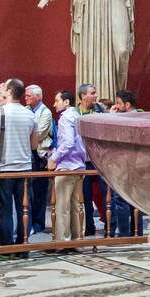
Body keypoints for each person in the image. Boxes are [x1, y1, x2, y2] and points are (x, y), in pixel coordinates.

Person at [0, 78, 38, 254]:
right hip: (25, 167)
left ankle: (6, 247)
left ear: (8, 91)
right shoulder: (30, 114)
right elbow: (34, 145)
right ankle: (23, 246)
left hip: (5, 167)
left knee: (5, 209)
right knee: (24, 208)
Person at [48, 90, 86, 243]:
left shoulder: (65, 118)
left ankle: (62, 241)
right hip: (78, 166)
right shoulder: (77, 116)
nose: (54, 104)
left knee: (62, 207)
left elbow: (68, 143)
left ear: (66, 102)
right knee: (75, 207)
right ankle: (76, 240)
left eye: (57, 101)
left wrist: (54, 159)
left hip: (66, 166)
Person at [110, 89, 144, 237]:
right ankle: (138, 231)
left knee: (121, 198)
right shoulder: (138, 117)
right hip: (137, 162)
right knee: (137, 199)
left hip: (126, 162)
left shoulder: (127, 119)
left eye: (118, 103)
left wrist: (111, 117)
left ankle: (124, 233)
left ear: (127, 104)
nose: (117, 106)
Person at [76, 83, 107, 236]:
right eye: (92, 93)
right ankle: (88, 226)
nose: (95, 96)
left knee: (104, 193)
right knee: (85, 196)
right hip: (83, 161)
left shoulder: (100, 110)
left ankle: (109, 225)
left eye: (95, 93)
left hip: (100, 160)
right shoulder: (75, 113)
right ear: (82, 96)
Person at [25, 84, 55, 236]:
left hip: (40, 157)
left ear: (38, 97)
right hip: (28, 154)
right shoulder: (26, 110)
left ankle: (38, 224)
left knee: (39, 192)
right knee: (30, 192)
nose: (26, 98)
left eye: (29, 95)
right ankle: (30, 223)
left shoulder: (45, 112)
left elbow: (41, 133)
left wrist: (27, 134)